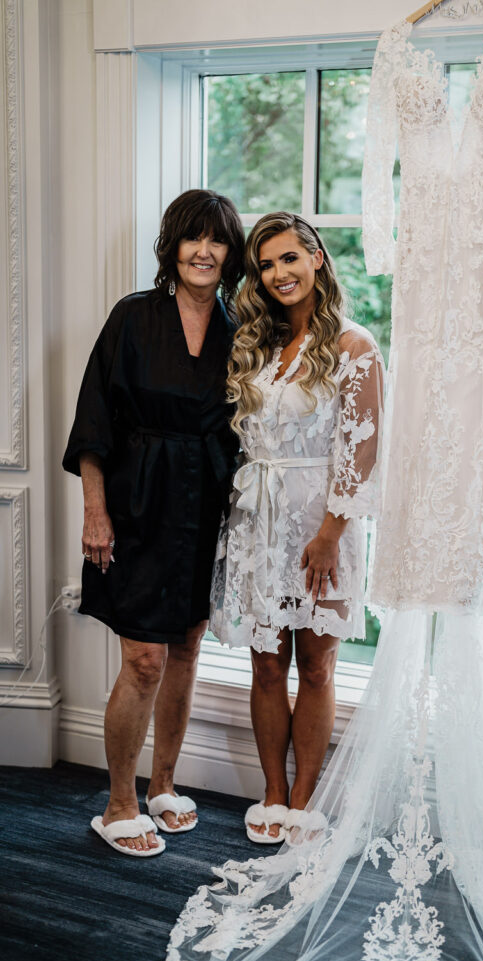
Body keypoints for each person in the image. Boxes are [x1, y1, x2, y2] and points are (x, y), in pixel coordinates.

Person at [63, 189, 245, 856]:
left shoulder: (239, 330)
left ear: (230, 253)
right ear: (172, 246)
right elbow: (93, 423)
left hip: (205, 504)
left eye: (217, 239)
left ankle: (163, 785)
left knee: (187, 647)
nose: (204, 250)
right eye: (193, 238)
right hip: (136, 504)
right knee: (144, 660)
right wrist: (95, 513)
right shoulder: (132, 318)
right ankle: (117, 803)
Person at [211, 211, 384, 844]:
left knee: (315, 665)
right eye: (266, 264)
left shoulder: (354, 347)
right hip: (257, 523)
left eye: (290, 257)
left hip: (320, 526)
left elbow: (360, 451)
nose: (279, 273)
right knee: (265, 664)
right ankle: (272, 793)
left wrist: (331, 534)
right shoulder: (257, 343)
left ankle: (305, 798)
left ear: (316, 258)